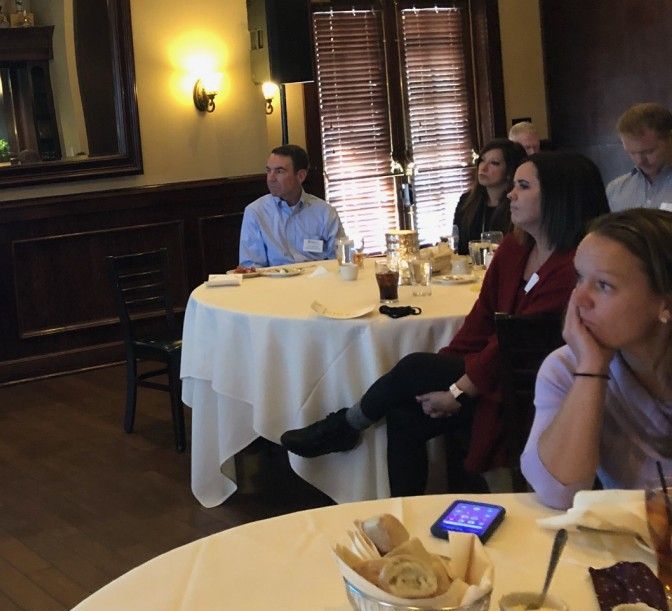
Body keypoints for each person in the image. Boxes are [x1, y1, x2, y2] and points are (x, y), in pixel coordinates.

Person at [280, 152, 609, 496]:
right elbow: (482, 317)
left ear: (559, 198)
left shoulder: (576, 266)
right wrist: (445, 368)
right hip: (493, 375)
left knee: (414, 367)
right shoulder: (514, 249)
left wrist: (457, 389)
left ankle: (346, 425)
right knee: (405, 413)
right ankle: (403, 518)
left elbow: (518, 341)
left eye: (523, 187)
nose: (511, 195)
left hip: (530, 389)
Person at [521, 208, 672, 509]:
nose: (578, 300)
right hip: (636, 548)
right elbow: (557, 494)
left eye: (603, 285)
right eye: (579, 278)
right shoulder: (567, 367)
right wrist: (591, 370)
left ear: (664, 303)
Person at [238, 144, 344, 268]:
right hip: (275, 284)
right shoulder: (256, 212)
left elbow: (340, 259)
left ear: (301, 176)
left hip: (317, 282)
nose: (271, 178)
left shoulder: (324, 212)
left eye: (279, 171)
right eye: (268, 170)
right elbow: (251, 267)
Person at [451, 138, 528, 256]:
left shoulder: (518, 204)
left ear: (509, 171)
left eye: (494, 163)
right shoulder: (466, 201)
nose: (484, 168)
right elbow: (459, 249)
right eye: (482, 160)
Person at [606, 102, 672, 212]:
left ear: (669, 140)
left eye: (648, 151)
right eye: (631, 153)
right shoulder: (615, 190)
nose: (640, 161)